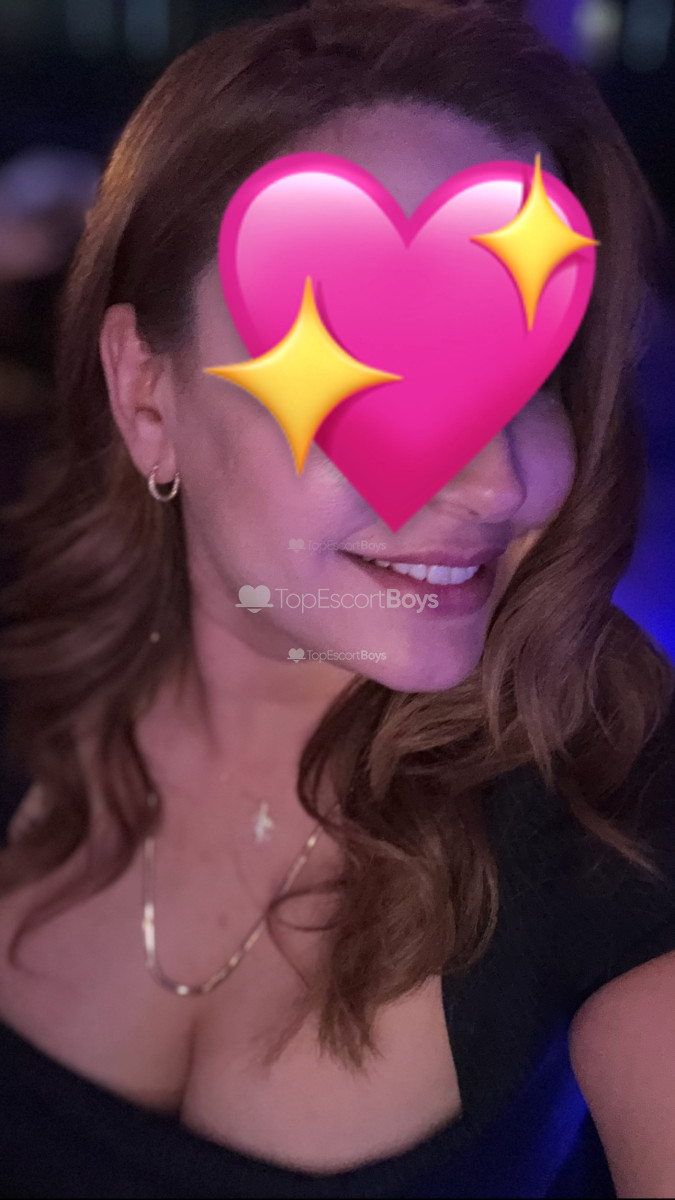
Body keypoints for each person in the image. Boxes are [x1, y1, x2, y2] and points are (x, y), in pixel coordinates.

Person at [0, 1, 674, 1196]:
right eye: (367, 368)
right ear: (148, 399)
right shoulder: (26, 670)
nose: (498, 481)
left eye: (526, 376)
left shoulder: (613, 791)